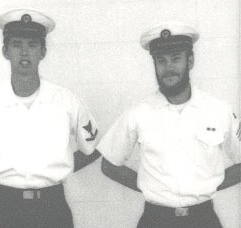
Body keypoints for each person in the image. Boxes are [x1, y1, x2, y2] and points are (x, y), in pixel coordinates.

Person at [0, 9, 100, 228]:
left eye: (32, 45)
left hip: (52, 208)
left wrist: (61, 166)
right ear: (5, 51)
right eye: (16, 45)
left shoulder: (66, 101)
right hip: (3, 209)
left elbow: (92, 148)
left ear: (43, 52)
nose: (24, 53)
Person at [97, 22, 240, 228]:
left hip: (204, 219)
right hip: (156, 219)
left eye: (176, 59)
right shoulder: (138, 112)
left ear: (190, 61)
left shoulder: (218, 110)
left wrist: (211, 183)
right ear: (154, 64)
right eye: (161, 60)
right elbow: (109, 164)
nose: (169, 68)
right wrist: (149, 187)